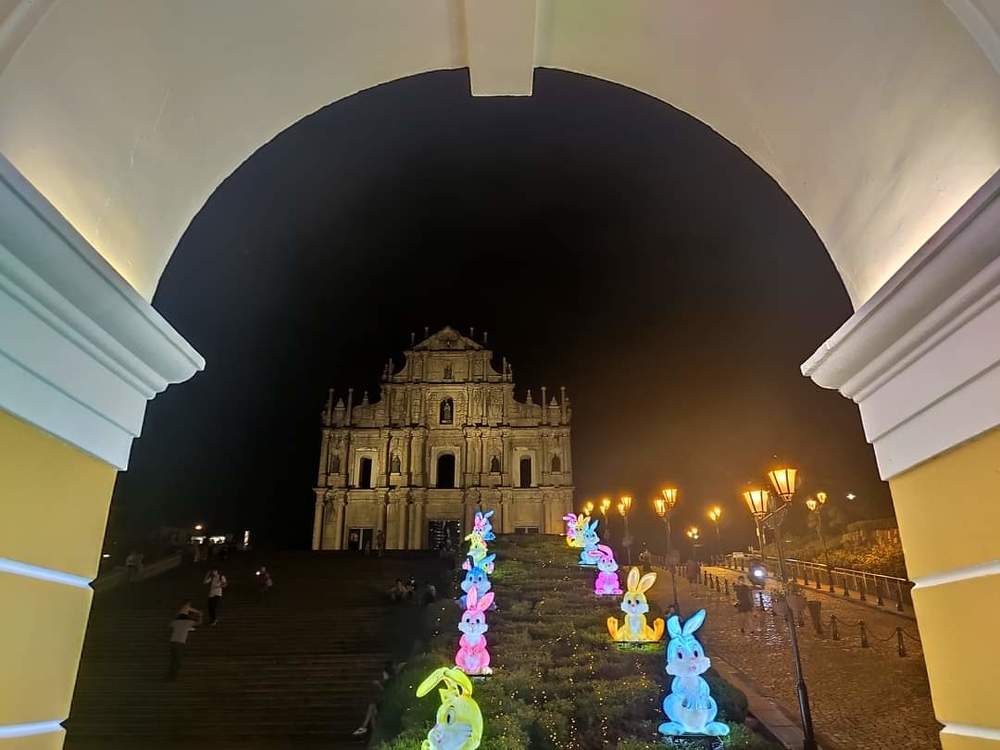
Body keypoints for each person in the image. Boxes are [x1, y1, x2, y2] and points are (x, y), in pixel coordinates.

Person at [166, 601, 202, 681]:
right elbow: (199, 623)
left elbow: (170, 624)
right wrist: (200, 615)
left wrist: (177, 616)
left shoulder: (175, 622)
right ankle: (172, 677)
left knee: (173, 660)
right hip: (180, 643)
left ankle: (170, 676)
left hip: (172, 642)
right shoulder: (188, 622)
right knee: (177, 661)